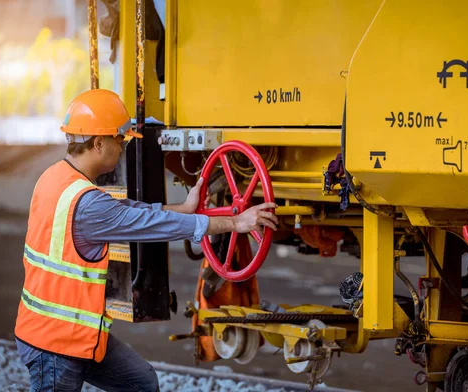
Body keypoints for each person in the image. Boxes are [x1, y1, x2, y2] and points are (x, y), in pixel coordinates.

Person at [14, 89, 278, 391]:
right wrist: (234, 222)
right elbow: (152, 225)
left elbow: (127, 210)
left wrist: (183, 208)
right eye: (119, 140)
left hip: (78, 335)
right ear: (99, 143)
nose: (123, 148)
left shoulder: (55, 178)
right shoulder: (88, 206)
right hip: (55, 343)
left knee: (142, 383)